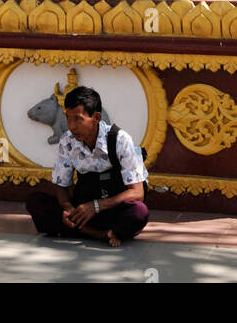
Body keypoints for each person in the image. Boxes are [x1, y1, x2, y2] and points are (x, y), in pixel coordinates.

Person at [25, 85, 149, 248]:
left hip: (112, 208)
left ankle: (83, 231)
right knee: (35, 202)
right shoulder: (67, 141)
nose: (71, 126)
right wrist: (69, 208)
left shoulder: (119, 140)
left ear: (96, 117)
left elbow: (137, 192)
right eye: (68, 118)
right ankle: (102, 234)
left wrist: (96, 206)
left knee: (139, 213)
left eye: (78, 119)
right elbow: (61, 186)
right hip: (83, 210)